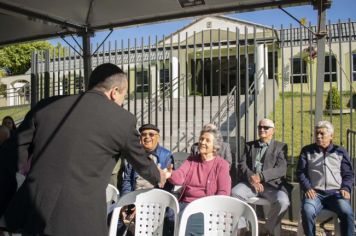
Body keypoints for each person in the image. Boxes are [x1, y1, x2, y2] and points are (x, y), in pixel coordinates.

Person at [0, 63, 166, 236]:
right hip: (81, 221)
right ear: (114, 91)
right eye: (123, 96)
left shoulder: (46, 107)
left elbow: (8, 157)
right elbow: (142, 162)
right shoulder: (123, 120)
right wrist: (158, 175)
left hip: (32, 215)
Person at [165, 124, 231, 235]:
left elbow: (223, 193)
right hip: (185, 204)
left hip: (206, 206)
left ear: (215, 147)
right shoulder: (191, 160)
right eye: (201, 139)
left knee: (186, 225)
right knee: (168, 218)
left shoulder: (221, 165)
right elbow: (180, 176)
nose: (202, 142)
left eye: (207, 140)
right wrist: (169, 174)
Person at [231, 118, 290, 236]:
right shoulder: (250, 146)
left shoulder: (280, 146)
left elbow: (281, 169)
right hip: (250, 184)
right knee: (235, 193)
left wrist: (261, 176)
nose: (262, 129)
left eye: (265, 127)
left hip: (272, 186)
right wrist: (252, 179)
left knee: (283, 202)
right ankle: (243, 228)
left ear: (273, 130)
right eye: (260, 127)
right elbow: (243, 165)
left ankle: (266, 230)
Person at [297, 120, 354, 236]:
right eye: (317, 133)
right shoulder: (307, 151)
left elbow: (348, 174)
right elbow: (300, 172)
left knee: (347, 212)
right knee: (307, 211)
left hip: (336, 193)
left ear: (331, 136)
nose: (318, 136)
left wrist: (346, 188)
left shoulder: (340, 151)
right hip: (315, 193)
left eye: (322, 134)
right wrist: (307, 188)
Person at [118, 123, 174, 235]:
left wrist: (146, 204)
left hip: (155, 200)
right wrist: (128, 203)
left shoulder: (166, 155)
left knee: (168, 219)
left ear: (158, 137)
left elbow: (168, 185)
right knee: (117, 218)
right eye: (144, 134)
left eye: (151, 134)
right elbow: (127, 181)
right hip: (134, 198)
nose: (147, 137)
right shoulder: (134, 155)